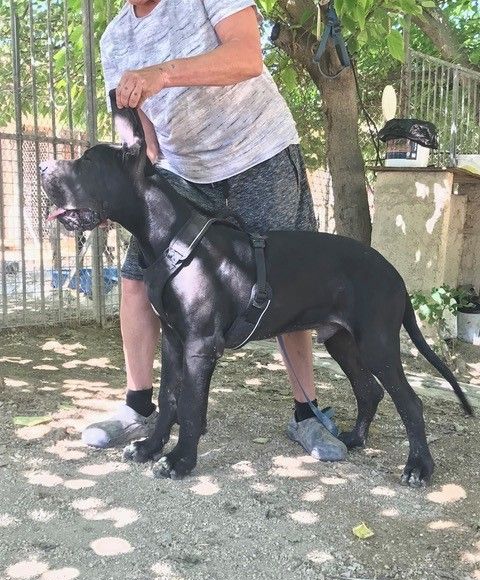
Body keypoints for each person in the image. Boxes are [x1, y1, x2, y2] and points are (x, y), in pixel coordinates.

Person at [82, 0, 347, 462]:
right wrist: (115, 195)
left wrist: (162, 74)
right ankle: (138, 406)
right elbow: (142, 144)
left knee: (284, 279)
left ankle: (306, 412)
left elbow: (247, 56)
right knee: (137, 277)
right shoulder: (115, 40)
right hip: (184, 172)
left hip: (259, 152)